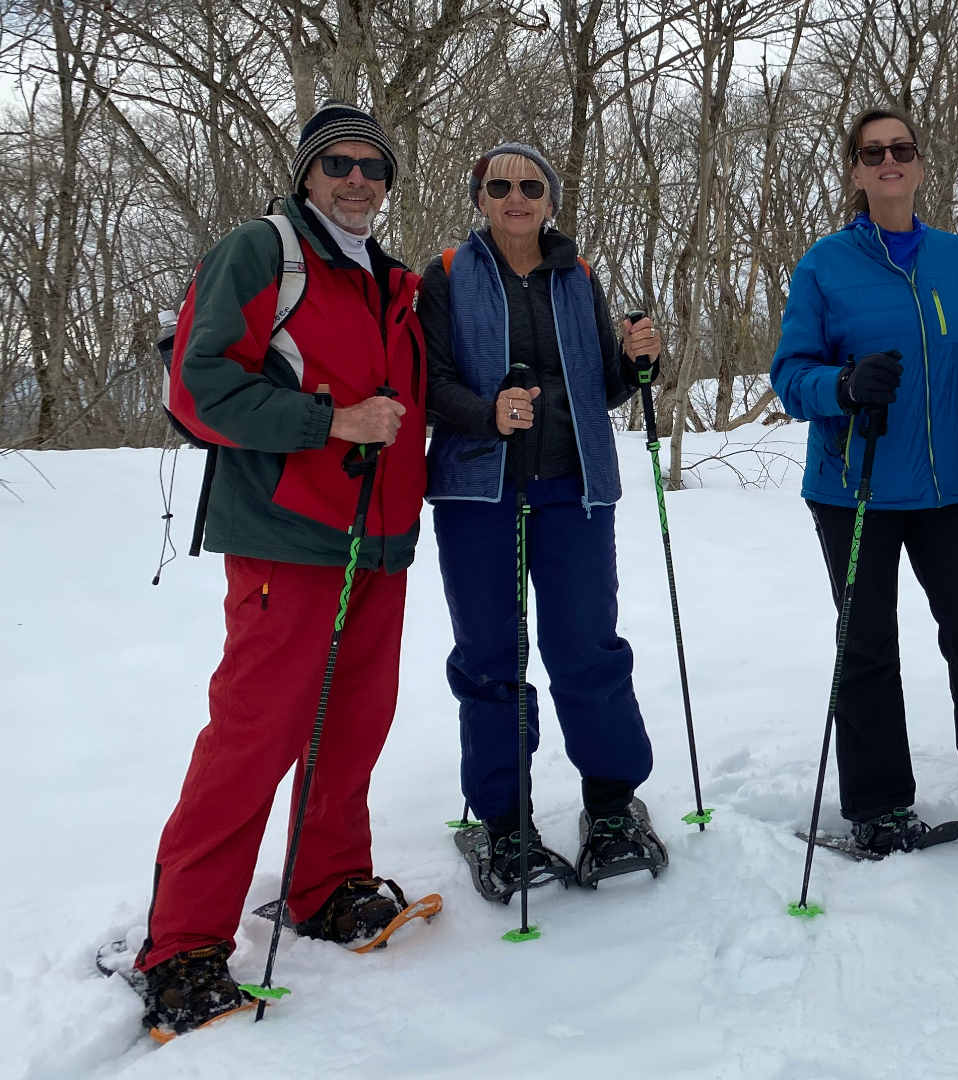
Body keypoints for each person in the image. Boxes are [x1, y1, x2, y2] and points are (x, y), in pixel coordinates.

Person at [134, 101, 427, 1038]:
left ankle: (329, 884)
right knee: (256, 735)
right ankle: (181, 943)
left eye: (373, 168)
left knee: (353, 724)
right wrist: (327, 422)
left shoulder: (390, 279)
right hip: (288, 538)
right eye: (337, 164)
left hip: (377, 542)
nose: (356, 180)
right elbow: (199, 382)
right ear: (306, 173)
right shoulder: (262, 251)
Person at [770, 107, 958, 857]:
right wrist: (842, 385)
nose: (889, 161)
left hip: (950, 485)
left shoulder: (956, 259)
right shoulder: (825, 264)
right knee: (867, 648)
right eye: (873, 152)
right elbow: (789, 375)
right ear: (856, 170)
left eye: (902, 148)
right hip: (856, 485)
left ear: (921, 163)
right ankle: (876, 807)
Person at [420, 142, 667, 892]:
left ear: (551, 199)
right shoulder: (449, 275)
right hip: (480, 493)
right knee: (492, 658)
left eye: (532, 185)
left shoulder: (576, 274)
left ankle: (614, 804)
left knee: (586, 648)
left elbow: (606, 386)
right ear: (480, 197)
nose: (516, 196)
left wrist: (636, 360)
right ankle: (503, 823)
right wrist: (485, 412)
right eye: (500, 185)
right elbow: (424, 381)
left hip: (573, 489)